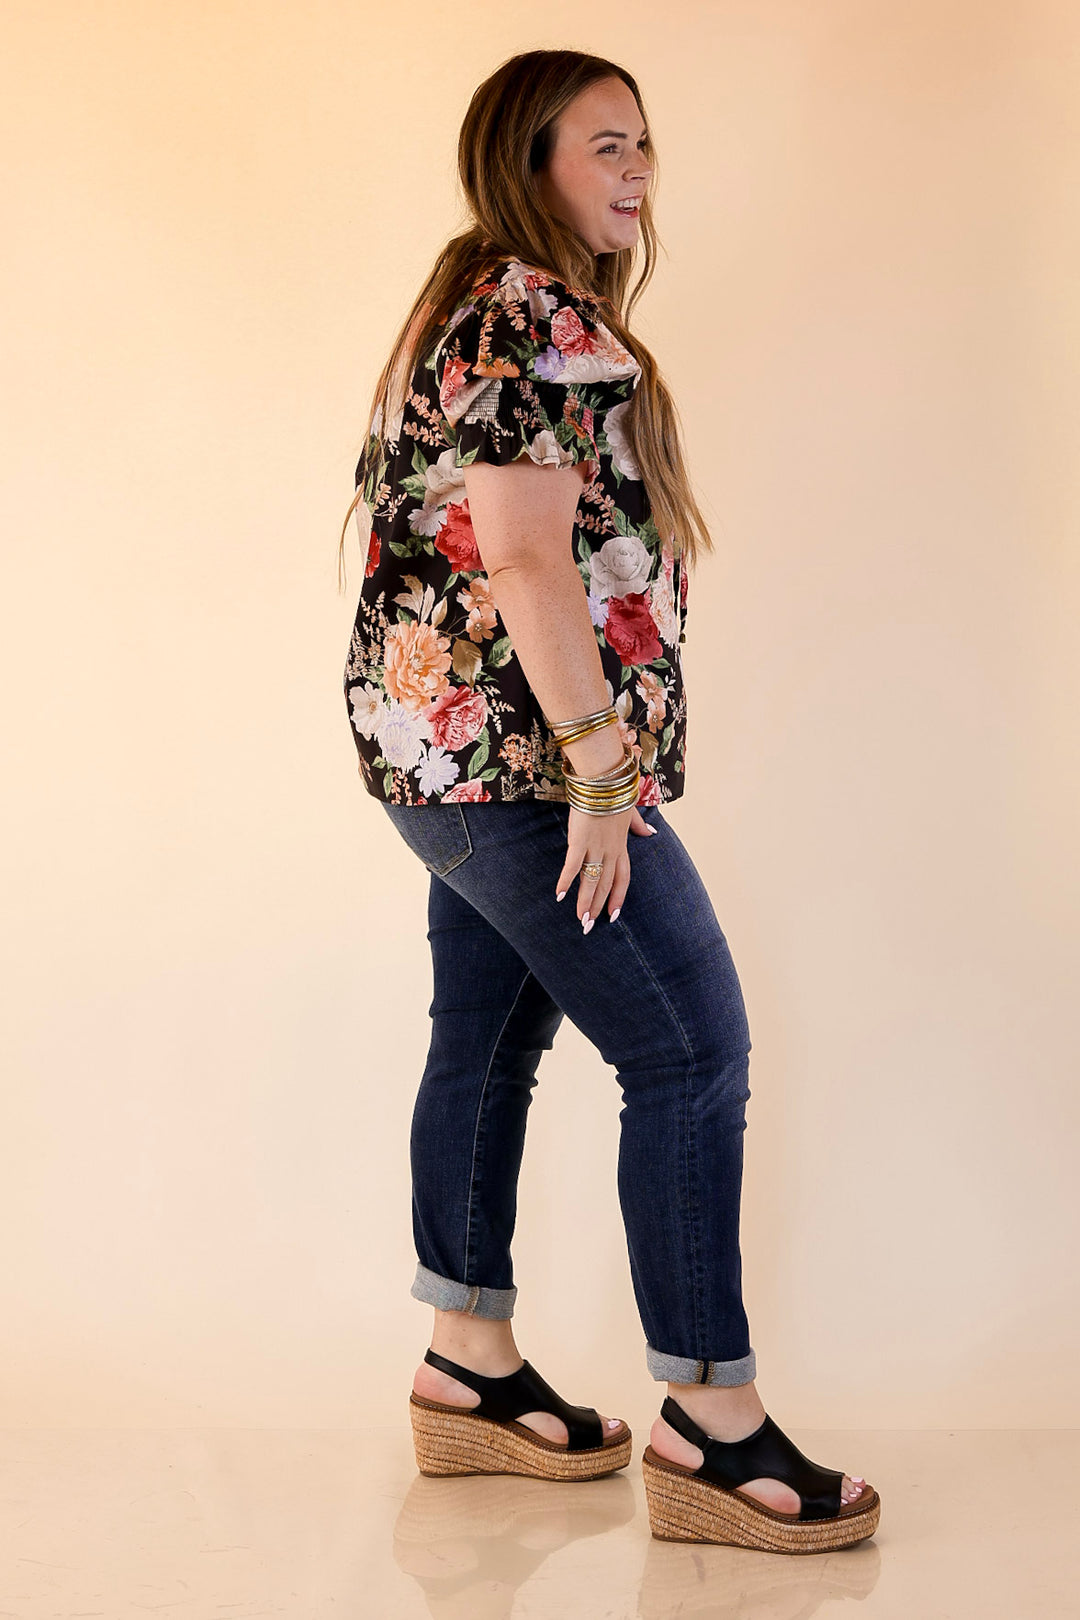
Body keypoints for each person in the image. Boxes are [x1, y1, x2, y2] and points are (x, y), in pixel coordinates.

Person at [339, 49, 880, 1553]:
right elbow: (520, 559)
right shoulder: (529, 317)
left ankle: (468, 1364)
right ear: (533, 160)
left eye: (646, 145)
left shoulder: (476, 305)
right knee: (694, 1051)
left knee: (490, 1039)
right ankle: (711, 1424)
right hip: (520, 768)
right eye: (606, 145)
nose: (639, 170)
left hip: (438, 758)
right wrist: (596, 769)